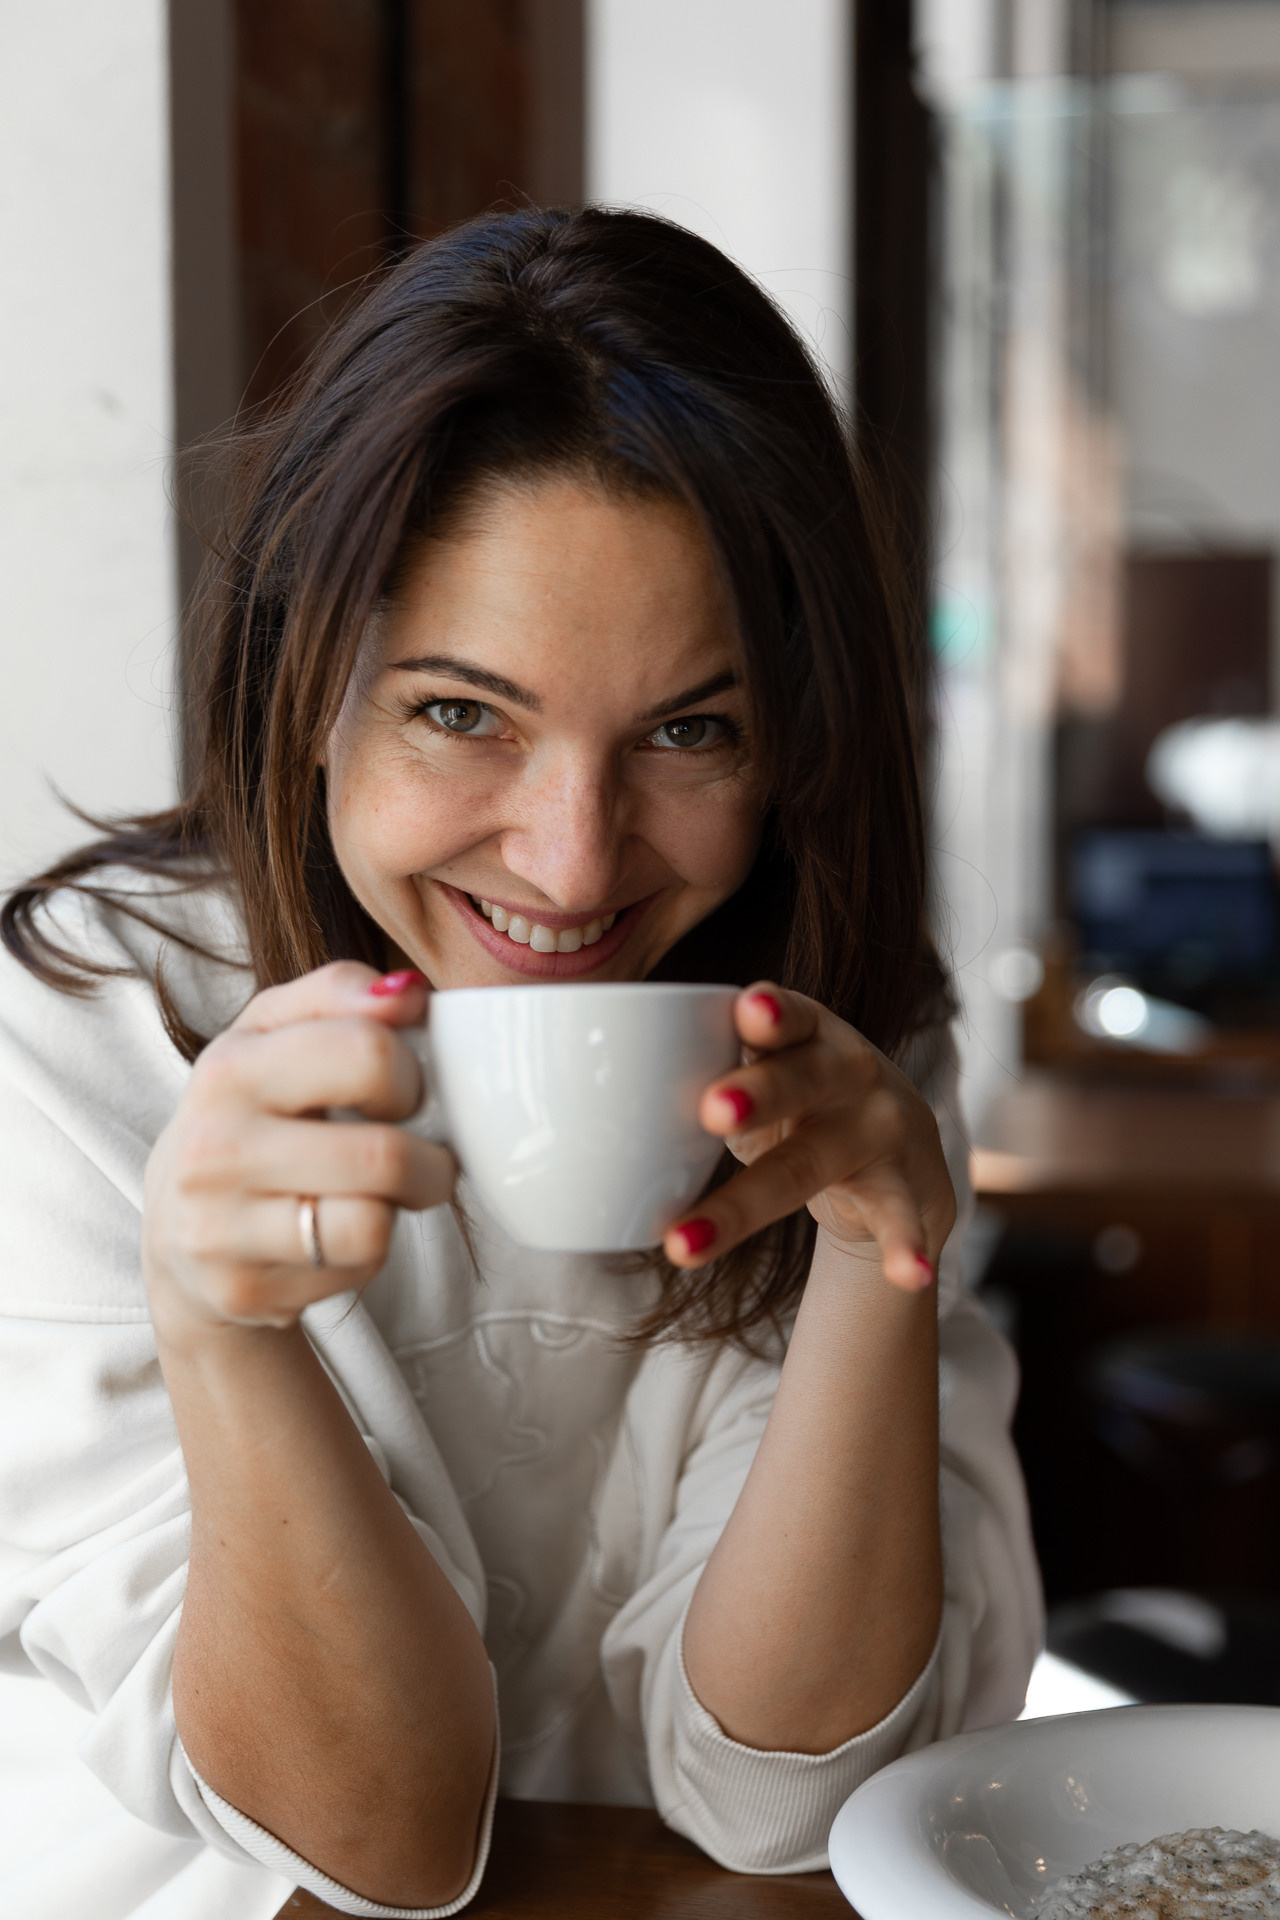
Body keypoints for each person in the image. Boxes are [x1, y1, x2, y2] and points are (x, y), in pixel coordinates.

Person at [0, 207, 1041, 1920]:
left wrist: (876, 1267)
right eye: (462, 713)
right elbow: (377, 1843)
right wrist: (219, 1322)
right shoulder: (98, 1038)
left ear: (792, 740)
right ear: (308, 679)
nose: (571, 864)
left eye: (689, 731)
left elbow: (785, 1803)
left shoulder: (816, 1041)